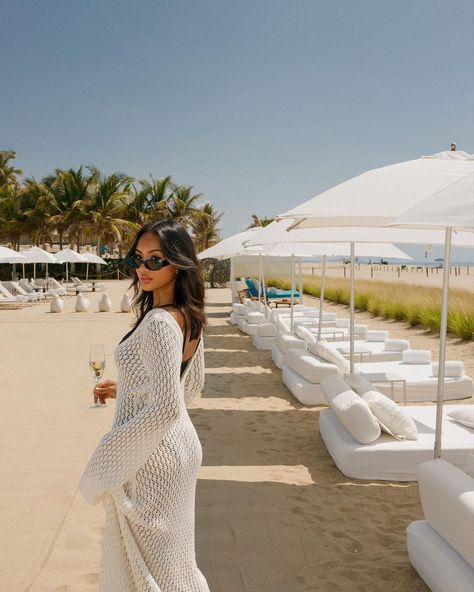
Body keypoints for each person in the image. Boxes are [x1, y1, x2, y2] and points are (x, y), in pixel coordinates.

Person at [79, 219, 210, 592]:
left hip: (154, 456)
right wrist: (129, 389)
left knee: (148, 570)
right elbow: (189, 387)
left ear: (179, 263)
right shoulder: (190, 316)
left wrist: (107, 456)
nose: (142, 269)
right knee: (175, 562)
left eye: (156, 260)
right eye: (137, 259)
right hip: (183, 448)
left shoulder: (157, 322)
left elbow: (168, 406)